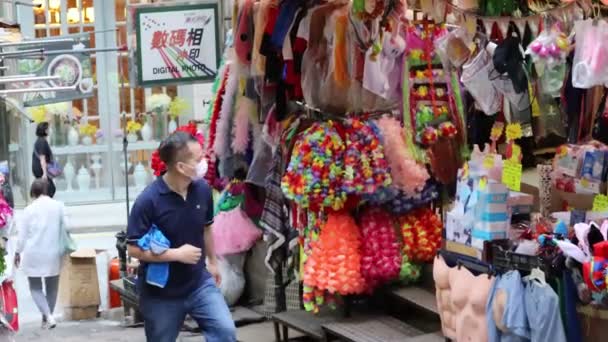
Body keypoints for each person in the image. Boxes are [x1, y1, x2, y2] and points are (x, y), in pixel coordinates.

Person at [127, 131, 236, 342]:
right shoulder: (148, 201)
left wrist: (213, 262)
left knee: (225, 332)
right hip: (161, 293)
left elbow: (206, 228)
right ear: (180, 167)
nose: (204, 163)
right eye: (198, 160)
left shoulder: (203, 190)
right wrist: (176, 254)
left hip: (198, 283)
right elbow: (132, 249)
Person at [15, 179, 67, 329]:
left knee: (35, 287)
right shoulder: (59, 206)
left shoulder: (28, 210)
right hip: (53, 251)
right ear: (46, 190)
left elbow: (22, 236)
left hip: (34, 254)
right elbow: (68, 227)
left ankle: (48, 317)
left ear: (33, 192)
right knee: (52, 287)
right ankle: (48, 316)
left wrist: (17, 252)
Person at [31, 122, 56, 198]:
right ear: (45, 131)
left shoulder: (40, 140)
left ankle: (43, 203)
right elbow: (42, 158)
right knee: (50, 189)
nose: (50, 130)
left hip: (39, 169)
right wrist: (44, 173)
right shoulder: (42, 141)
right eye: (48, 128)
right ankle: (44, 204)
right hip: (41, 170)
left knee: (48, 188)